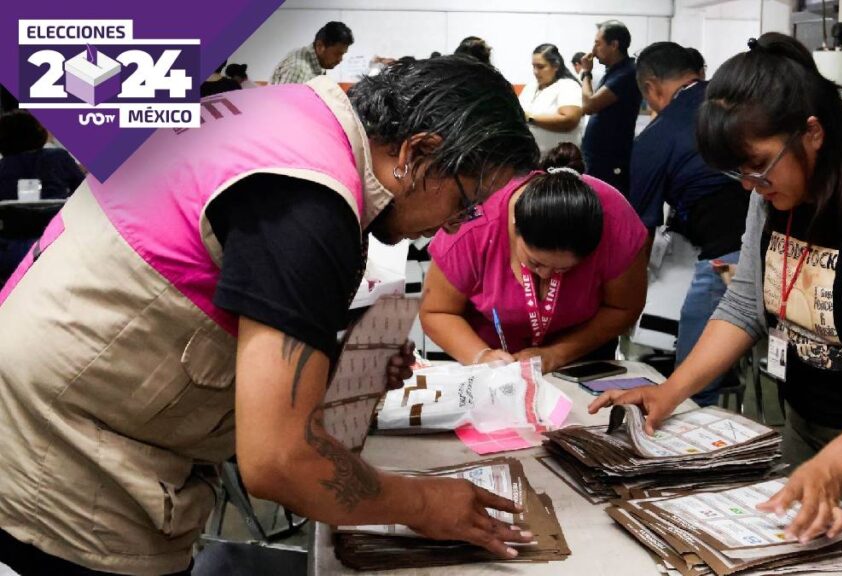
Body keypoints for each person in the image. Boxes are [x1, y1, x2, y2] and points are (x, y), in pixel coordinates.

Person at [0, 56, 540, 575]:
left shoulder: (289, 118)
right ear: (418, 151)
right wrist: (424, 502)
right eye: (466, 203)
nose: (453, 226)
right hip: (62, 478)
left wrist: (344, 364)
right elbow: (281, 460)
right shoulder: (307, 198)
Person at [590, 34, 842, 575]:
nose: (751, 185)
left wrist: (835, 465)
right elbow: (744, 305)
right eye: (739, 174)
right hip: (804, 429)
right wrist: (670, 390)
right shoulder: (771, 197)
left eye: (760, 167)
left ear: (812, 133)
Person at [420, 166, 648, 373]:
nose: (546, 275)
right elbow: (437, 311)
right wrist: (481, 357)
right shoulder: (472, 230)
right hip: (497, 369)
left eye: (565, 269)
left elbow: (624, 307)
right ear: (514, 225)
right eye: (535, 263)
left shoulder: (615, 223)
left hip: (582, 361)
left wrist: (558, 353)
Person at [629, 43, 748, 406]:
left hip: (724, 253)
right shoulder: (737, 98)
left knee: (689, 382)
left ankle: (701, 444)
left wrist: (629, 299)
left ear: (651, 87)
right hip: (785, 243)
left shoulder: (657, 135)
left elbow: (640, 232)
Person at [0, 110, 85, 282]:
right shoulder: (58, 157)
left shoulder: (3, 167)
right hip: (57, 245)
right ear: (37, 133)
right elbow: (83, 192)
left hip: (9, 253)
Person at [578, 20, 642, 196]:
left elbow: (589, 105)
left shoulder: (627, 73)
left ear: (614, 45)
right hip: (599, 158)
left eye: (598, 44)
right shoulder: (614, 71)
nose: (592, 50)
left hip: (611, 160)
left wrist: (586, 73)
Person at [519, 44, 584, 155]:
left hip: (558, 161)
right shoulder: (530, 87)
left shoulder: (568, 86)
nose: (535, 71)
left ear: (556, 66)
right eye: (533, 66)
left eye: (540, 67)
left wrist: (529, 117)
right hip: (529, 158)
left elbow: (569, 120)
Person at [270, 21, 353, 84]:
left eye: (342, 54)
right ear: (320, 46)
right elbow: (284, 105)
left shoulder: (317, 63)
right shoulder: (299, 69)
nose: (340, 59)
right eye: (337, 54)